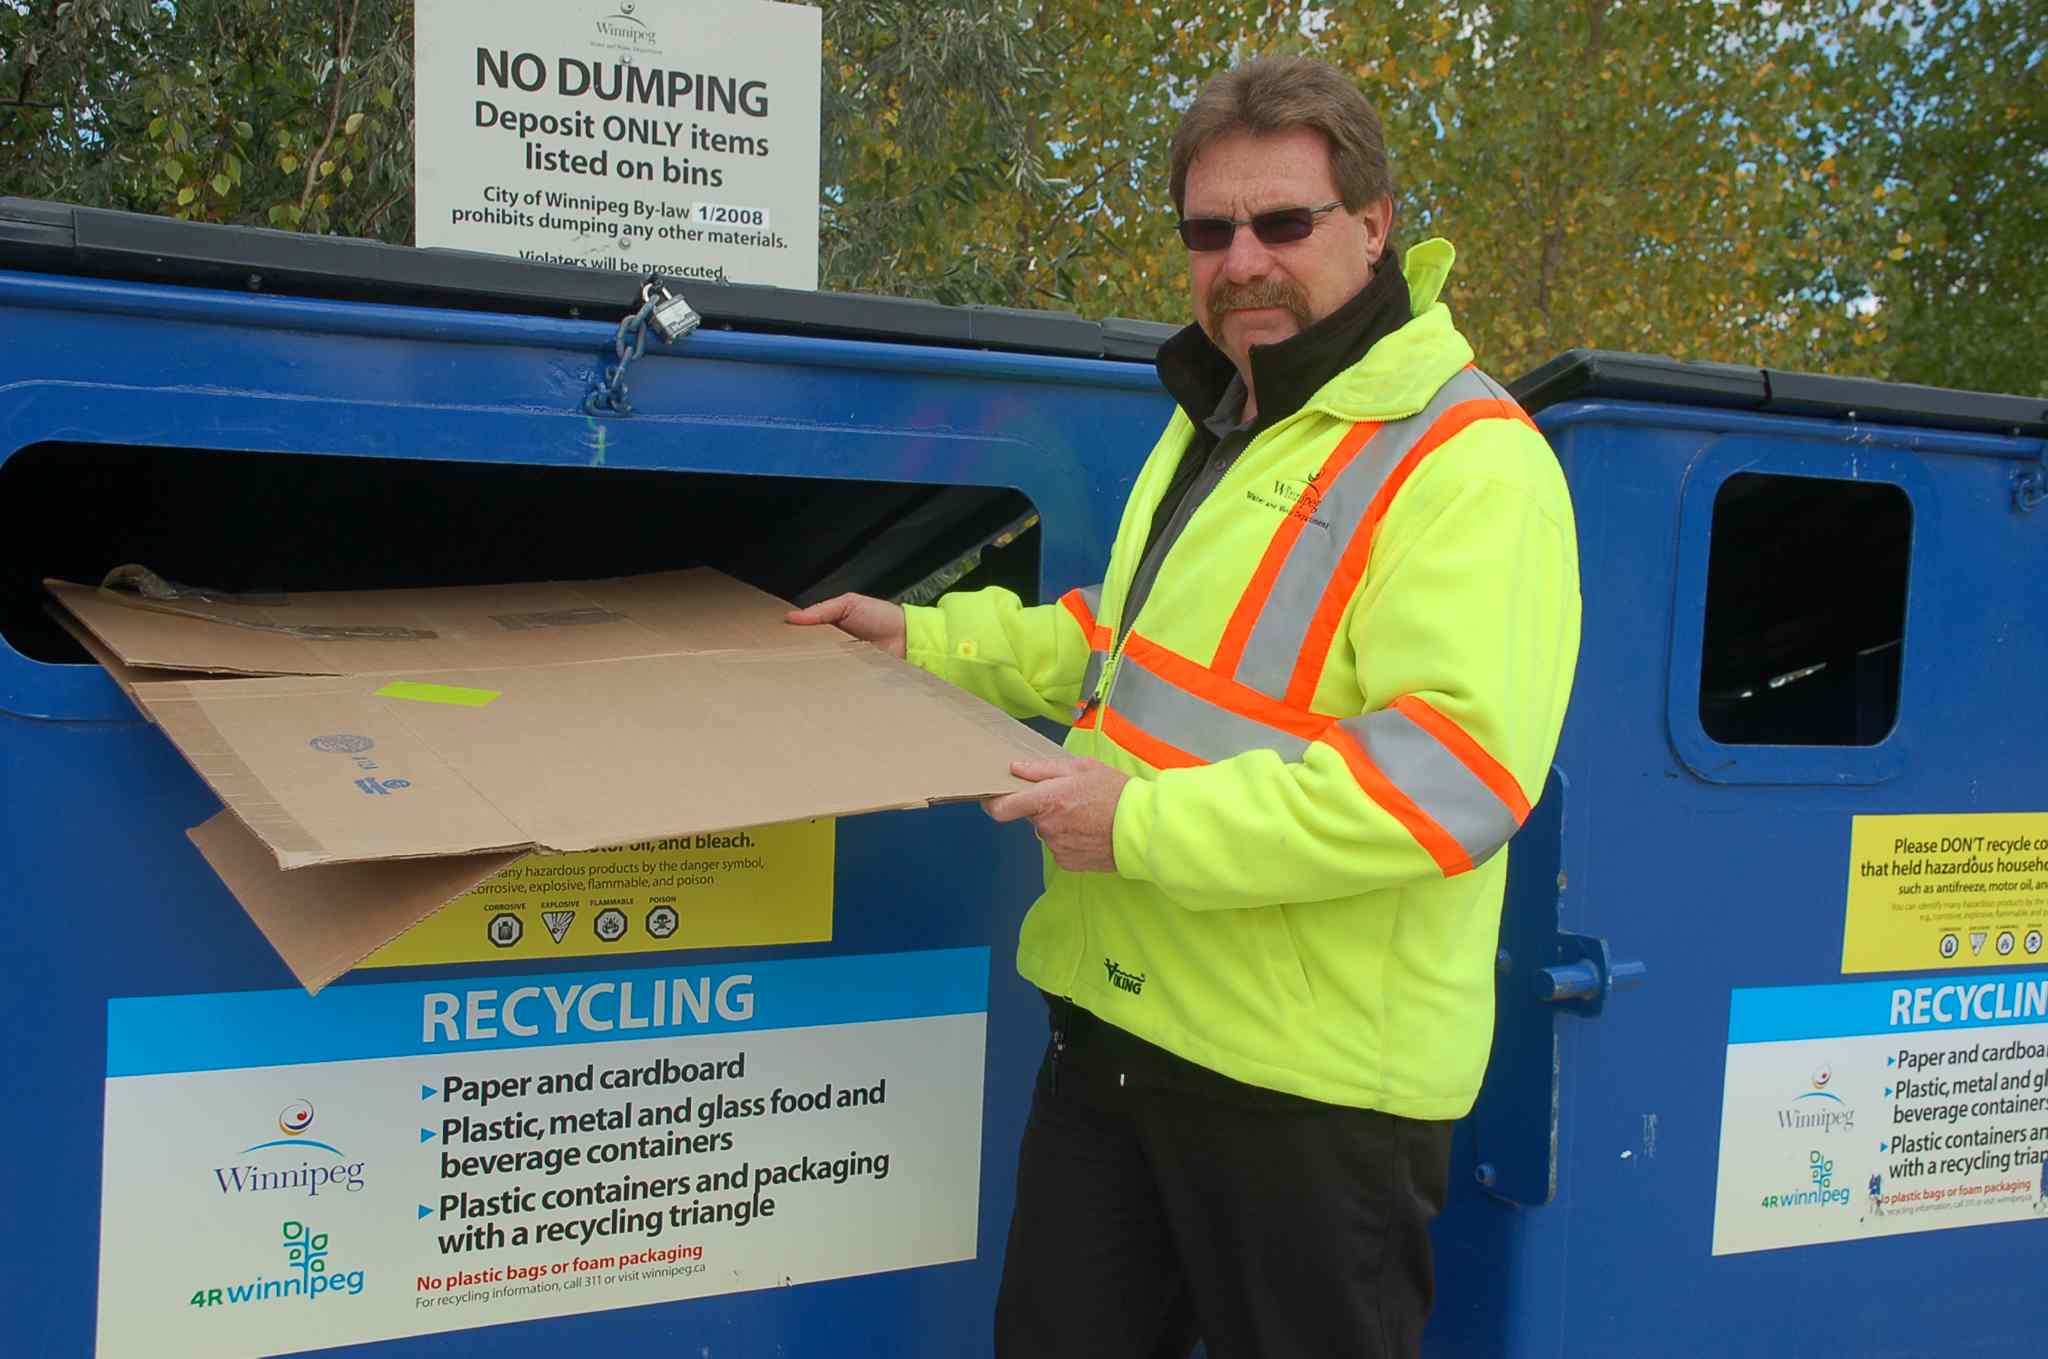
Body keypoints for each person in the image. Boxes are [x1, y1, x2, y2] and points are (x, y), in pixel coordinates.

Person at [789, 53, 1580, 1359]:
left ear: (1376, 225)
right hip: (1116, 1034)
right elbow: (1127, 645)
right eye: (1209, 232)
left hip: (1311, 1099)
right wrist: (921, 642)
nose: (1242, 262)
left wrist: (1138, 826)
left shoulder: (1469, 465)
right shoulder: (1231, 412)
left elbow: (1450, 780)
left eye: (1284, 222)